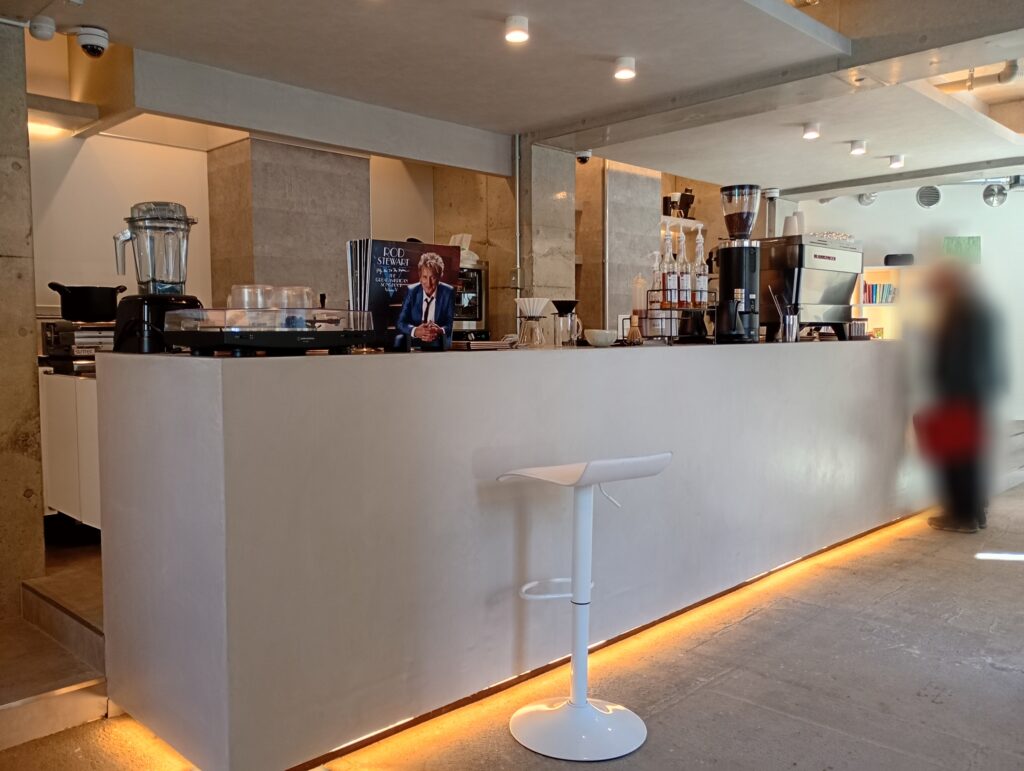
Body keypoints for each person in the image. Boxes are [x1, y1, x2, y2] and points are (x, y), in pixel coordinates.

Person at [922, 264, 1005, 534]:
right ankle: (974, 512)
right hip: (974, 390)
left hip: (959, 391)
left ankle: (962, 517)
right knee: (968, 454)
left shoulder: (959, 310)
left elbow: (956, 355)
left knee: (958, 455)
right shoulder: (976, 308)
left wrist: (944, 388)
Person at [395, 252, 455, 350]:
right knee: (399, 340)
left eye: (433, 277)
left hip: (438, 340)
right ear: (420, 277)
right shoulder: (412, 291)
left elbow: (450, 324)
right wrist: (415, 331)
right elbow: (401, 322)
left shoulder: (448, 292)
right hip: (415, 340)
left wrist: (439, 330)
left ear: (439, 277)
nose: (428, 283)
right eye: (425, 277)